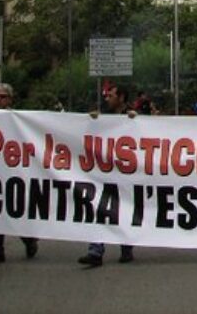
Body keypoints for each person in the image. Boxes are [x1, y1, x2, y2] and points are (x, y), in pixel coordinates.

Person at [0, 83, 39, 266]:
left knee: (15, 211)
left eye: (3, 96)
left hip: (14, 173)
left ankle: (29, 240)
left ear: (10, 99)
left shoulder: (17, 119)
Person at [78, 84, 137, 267]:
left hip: (126, 172)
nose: (107, 99)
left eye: (110, 96)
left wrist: (136, 120)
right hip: (105, 170)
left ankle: (126, 246)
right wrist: (92, 120)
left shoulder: (134, 115)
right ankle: (95, 251)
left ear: (121, 97)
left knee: (125, 209)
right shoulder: (102, 115)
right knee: (99, 208)